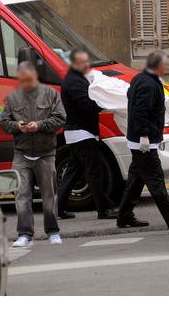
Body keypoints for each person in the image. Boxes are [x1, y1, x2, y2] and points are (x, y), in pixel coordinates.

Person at [117, 50, 169, 230]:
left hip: (139, 140)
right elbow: (140, 111)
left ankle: (124, 216)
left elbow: (132, 100)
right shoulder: (148, 83)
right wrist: (144, 135)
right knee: (155, 178)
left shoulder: (141, 79)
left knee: (136, 180)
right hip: (143, 141)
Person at [0, 61, 66, 248]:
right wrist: (17, 126)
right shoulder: (13, 98)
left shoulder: (51, 94)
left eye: (29, 79)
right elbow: (4, 122)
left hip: (46, 153)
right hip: (21, 154)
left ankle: (53, 231)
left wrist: (39, 125)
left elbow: (60, 118)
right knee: (21, 196)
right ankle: (24, 234)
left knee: (49, 195)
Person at [57, 50, 118, 220]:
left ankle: (60, 208)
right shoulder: (74, 82)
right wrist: (104, 102)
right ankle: (103, 209)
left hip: (77, 133)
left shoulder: (75, 79)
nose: (87, 65)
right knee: (94, 171)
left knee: (73, 172)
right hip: (82, 133)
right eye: (83, 63)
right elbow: (86, 105)